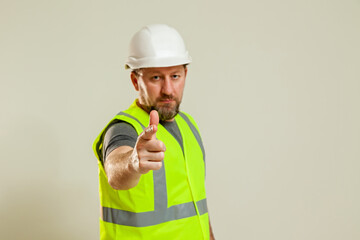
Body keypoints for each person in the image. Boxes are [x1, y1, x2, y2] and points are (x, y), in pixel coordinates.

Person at [93, 24, 215, 240]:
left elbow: (197, 206)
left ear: (185, 74)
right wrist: (133, 162)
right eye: (156, 78)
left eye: (175, 76)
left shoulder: (188, 125)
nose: (168, 89)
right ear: (135, 80)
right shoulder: (123, 128)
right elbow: (115, 169)